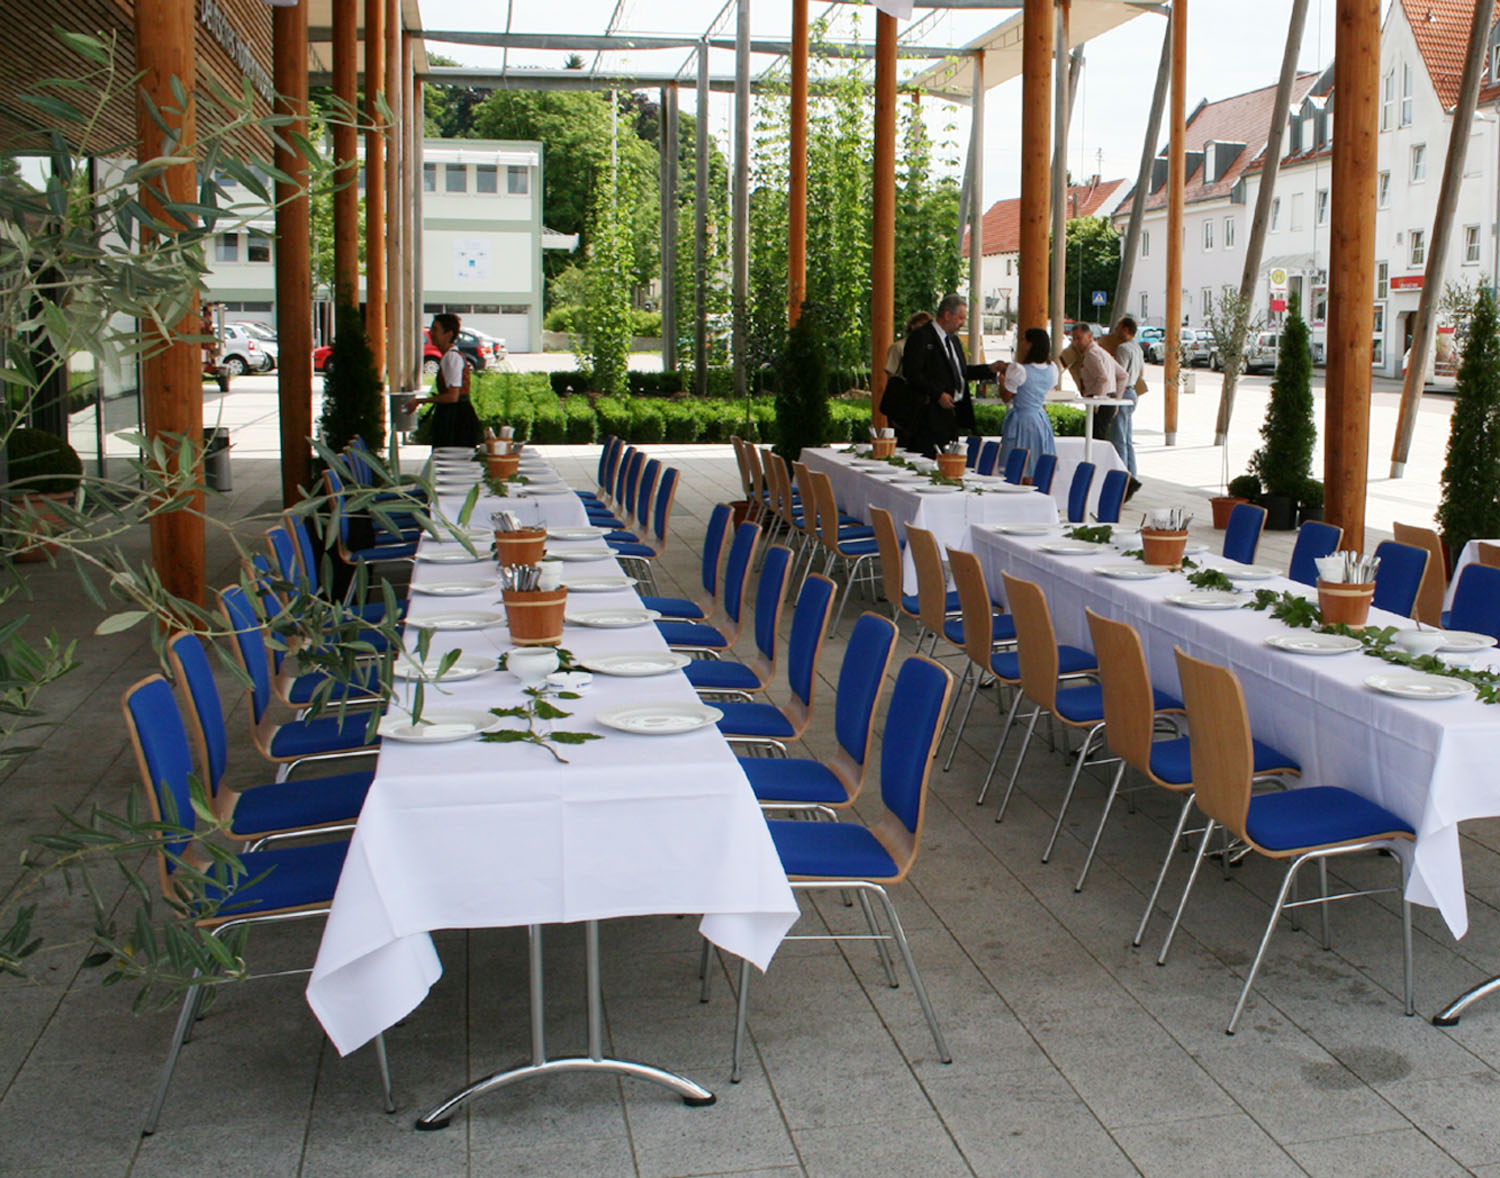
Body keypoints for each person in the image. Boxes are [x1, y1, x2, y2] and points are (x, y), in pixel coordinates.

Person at [900, 294, 1001, 457]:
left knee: (949, 461)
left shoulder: (953, 340)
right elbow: (912, 373)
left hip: (952, 415)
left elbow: (959, 372)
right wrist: (937, 394)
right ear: (947, 315)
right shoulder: (921, 336)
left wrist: (989, 369)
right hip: (928, 416)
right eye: (960, 318)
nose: (962, 323)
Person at [1059, 319, 1147, 439]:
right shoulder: (1103, 352)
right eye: (1074, 339)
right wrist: (1116, 400)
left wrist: (1097, 402)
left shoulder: (1092, 354)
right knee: (1120, 438)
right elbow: (1123, 375)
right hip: (1109, 400)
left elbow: (1103, 379)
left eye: (1079, 338)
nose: (1076, 342)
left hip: (1100, 402)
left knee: (1102, 441)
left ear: (1089, 336)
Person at [408, 313, 481, 448]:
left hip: (455, 418)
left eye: (435, 329)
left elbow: (452, 396)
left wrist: (421, 401)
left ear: (448, 334)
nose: (431, 333)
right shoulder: (450, 356)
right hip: (457, 414)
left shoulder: (451, 358)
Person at [998, 327, 1058, 479]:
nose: (1022, 344)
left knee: (1019, 465)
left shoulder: (1020, 370)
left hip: (1022, 420)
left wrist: (1001, 380)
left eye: (1024, 340)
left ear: (1031, 344)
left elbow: (1006, 396)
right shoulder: (1052, 368)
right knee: (1037, 463)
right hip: (1040, 418)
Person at [879, 310, 931, 450]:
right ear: (912, 326)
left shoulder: (929, 347)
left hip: (919, 400)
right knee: (900, 437)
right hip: (902, 397)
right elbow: (891, 373)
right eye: (920, 324)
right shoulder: (899, 347)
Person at [1109, 317, 1145, 500]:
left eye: (1118, 326)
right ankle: (1133, 476)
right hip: (1133, 393)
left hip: (1123, 393)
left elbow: (1119, 373)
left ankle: (1123, 482)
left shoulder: (1123, 349)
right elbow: (1140, 373)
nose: (1115, 330)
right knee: (1128, 438)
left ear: (1125, 328)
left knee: (1119, 438)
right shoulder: (1137, 348)